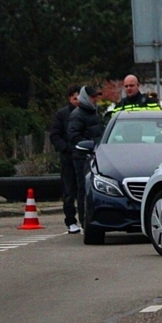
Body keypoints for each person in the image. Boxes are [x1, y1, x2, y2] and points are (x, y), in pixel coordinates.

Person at [67, 86, 104, 228]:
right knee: (83, 188)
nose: (95, 99)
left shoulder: (94, 112)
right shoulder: (78, 115)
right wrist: (90, 144)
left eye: (96, 97)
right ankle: (84, 220)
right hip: (82, 156)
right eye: (92, 97)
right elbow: (74, 136)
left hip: (94, 154)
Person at [49, 84, 81, 234]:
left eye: (80, 98)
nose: (77, 101)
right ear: (70, 98)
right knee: (69, 191)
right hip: (68, 158)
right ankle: (70, 221)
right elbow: (55, 135)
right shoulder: (62, 114)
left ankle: (85, 219)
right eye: (75, 98)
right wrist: (66, 148)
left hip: (83, 158)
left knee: (83, 191)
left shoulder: (87, 113)